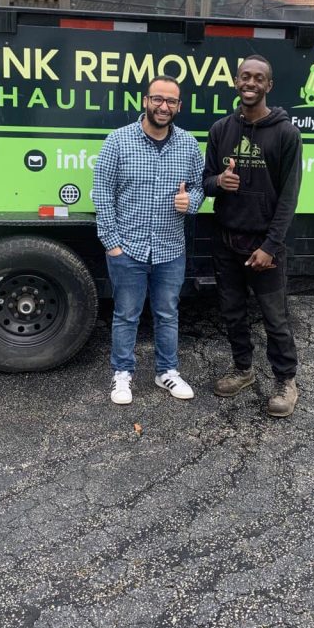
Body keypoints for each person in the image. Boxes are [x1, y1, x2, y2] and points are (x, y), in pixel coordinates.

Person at [93, 75, 204, 405]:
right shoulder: (118, 141)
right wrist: (112, 243)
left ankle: (166, 372)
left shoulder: (188, 145)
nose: (164, 106)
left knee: (168, 314)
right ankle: (122, 374)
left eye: (171, 101)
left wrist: (192, 203)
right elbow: (102, 194)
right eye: (157, 99)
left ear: (179, 107)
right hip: (128, 247)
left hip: (171, 249)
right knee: (126, 314)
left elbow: (198, 187)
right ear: (145, 101)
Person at [202, 54, 302, 417]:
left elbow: (289, 196)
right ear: (236, 81)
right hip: (226, 241)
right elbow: (205, 182)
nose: (250, 83)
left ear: (269, 86)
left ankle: (286, 381)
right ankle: (242, 369)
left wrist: (270, 246)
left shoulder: (286, 134)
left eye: (258, 78)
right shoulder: (220, 130)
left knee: (275, 319)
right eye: (245, 77)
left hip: (264, 248)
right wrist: (219, 183)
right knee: (232, 312)